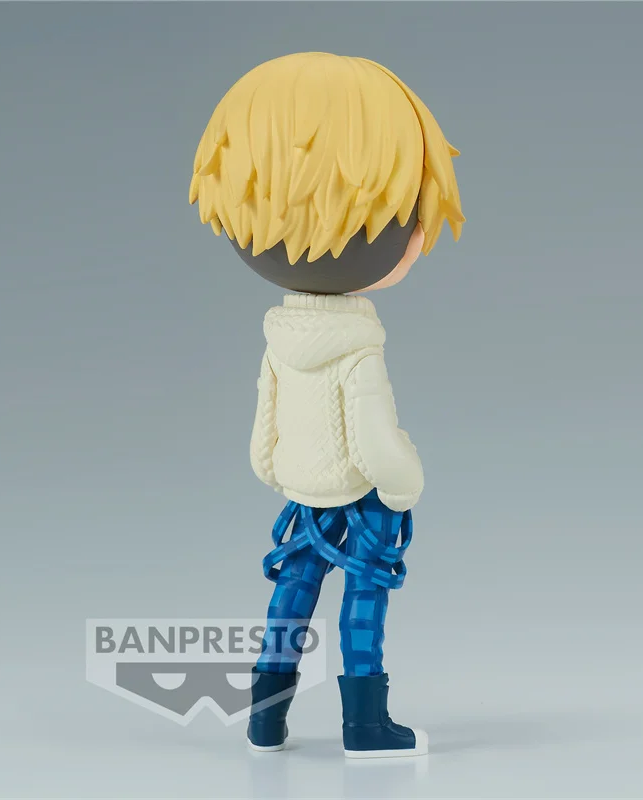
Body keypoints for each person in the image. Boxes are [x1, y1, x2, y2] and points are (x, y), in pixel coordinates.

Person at [188, 51, 464, 758]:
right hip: (362, 497)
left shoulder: (279, 338)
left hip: (302, 493)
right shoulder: (358, 346)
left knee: (291, 597)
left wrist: (284, 472)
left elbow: (263, 434)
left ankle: (264, 719)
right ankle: (365, 724)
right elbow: (375, 440)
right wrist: (405, 484)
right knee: (363, 605)